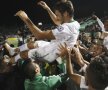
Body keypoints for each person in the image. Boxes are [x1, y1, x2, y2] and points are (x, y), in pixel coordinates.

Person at [5, 1, 80, 63]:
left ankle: (9, 62)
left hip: (53, 54)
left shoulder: (67, 28)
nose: (57, 17)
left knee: (24, 54)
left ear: (66, 13)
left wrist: (26, 18)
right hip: (54, 45)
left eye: (58, 15)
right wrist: (47, 8)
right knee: (33, 44)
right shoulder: (74, 23)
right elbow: (57, 21)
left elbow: (39, 35)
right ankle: (13, 51)